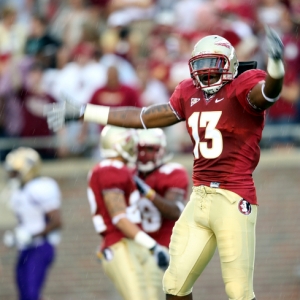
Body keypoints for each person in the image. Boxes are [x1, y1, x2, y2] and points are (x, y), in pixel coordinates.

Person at [44, 27, 285, 300]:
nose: (206, 72)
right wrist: (85, 111)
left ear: (230, 64)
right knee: (174, 285)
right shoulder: (187, 92)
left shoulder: (243, 86)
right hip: (200, 197)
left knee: (239, 291)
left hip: (233, 197)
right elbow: (142, 117)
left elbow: (268, 92)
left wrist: (276, 63)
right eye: (201, 65)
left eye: (214, 65)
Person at [86, 125, 169, 300]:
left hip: (131, 242)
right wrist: (153, 246)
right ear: (119, 145)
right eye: (132, 144)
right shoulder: (111, 169)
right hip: (119, 242)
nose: (135, 149)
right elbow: (120, 219)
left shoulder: (119, 169)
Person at [2, 147, 62, 300]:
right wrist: (17, 237)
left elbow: (57, 222)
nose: (12, 176)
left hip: (40, 247)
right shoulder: (20, 190)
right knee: (24, 295)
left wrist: (31, 235)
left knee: (30, 295)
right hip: (26, 249)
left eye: (15, 172)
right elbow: (27, 221)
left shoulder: (40, 187)